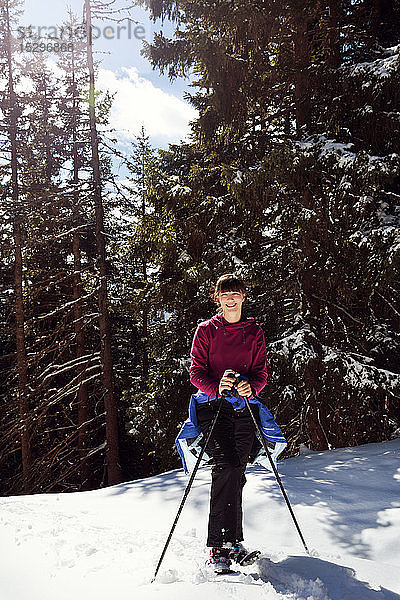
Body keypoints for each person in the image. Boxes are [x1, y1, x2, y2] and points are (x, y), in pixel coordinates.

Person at [175, 273, 286, 573]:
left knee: (237, 469)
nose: (231, 298)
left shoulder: (255, 332)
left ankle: (233, 543)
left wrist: (251, 386)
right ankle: (218, 548)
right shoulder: (206, 330)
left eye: (236, 293)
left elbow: (261, 374)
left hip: (245, 409)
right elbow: (196, 373)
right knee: (224, 465)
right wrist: (217, 387)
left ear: (243, 297)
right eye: (225, 294)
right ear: (218, 299)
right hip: (213, 406)